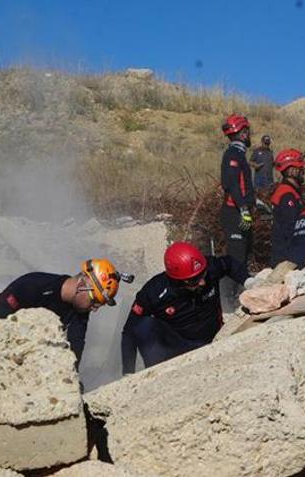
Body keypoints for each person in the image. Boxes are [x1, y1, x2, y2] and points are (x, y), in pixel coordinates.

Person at [121, 241, 249, 374]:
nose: (202, 282)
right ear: (177, 281)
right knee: (145, 325)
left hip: (214, 339)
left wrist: (249, 281)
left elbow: (228, 263)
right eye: (194, 280)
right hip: (178, 348)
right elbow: (130, 331)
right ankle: (157, 373)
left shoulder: (209, 269)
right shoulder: (154, 291)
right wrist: (128, 372)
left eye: (203, 275)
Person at [0, 259, 132, 366]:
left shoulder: (79, 311)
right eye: (94, 301)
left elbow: (75, 348)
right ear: (81, 285)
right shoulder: (33, 286)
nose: (95, 308)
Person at [220, 113, 256, 269]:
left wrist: (255, 202)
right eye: (247, 131)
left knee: (244, 255)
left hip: (239, 211)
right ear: (242, 133)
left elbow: (243, 185)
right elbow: (232, 184)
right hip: (233, 213)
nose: (249, 135)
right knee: (237, 259)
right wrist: (243, 210)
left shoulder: (239, 154)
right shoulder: (233, 154)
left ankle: (239, 292)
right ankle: (229, 293)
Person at [269, 148, 305, 266]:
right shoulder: (287, 195)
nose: (303, 171)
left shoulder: (289, 191)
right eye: (300, 168)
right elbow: (291, 228)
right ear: (291, 170)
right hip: (286, 258)